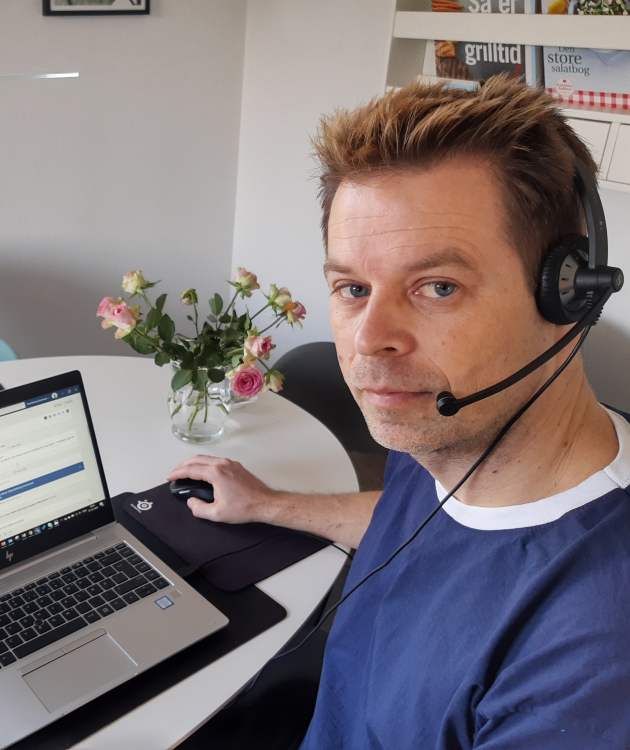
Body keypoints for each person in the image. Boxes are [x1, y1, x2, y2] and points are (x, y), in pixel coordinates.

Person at [168, 77, 630, 748]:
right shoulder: (449, 431)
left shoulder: (592, 659)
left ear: (568, 295)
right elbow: (415, 519)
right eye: (353, 287)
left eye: (437, 287)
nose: (369, 339)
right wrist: (269, 505)